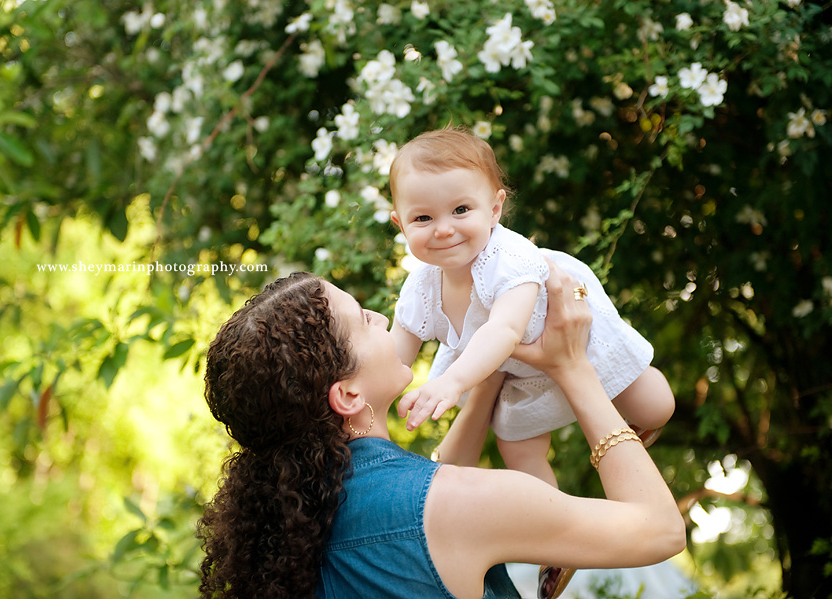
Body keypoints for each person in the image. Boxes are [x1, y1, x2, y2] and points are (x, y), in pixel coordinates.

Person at [197, 269, 686, 599]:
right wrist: (573, 366)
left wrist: (491, 366)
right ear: (346, 396)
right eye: (363, 320)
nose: (383, 318)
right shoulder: (456, 505)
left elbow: (428, 491)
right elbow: (660, 530)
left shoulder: (298, 518)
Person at [388, 127, 675, 483]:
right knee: (518, 450)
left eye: (461, 210)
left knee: (656, 405)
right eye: (423, 218)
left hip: (573, 342)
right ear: (400, 223)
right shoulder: (421, 286)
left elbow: (504, 328)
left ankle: (627, 419)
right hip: (515, 371)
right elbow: (393, 357)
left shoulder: (508, 258)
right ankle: (551, 513)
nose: (443, 229)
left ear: (494, 209)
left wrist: (452, 381)